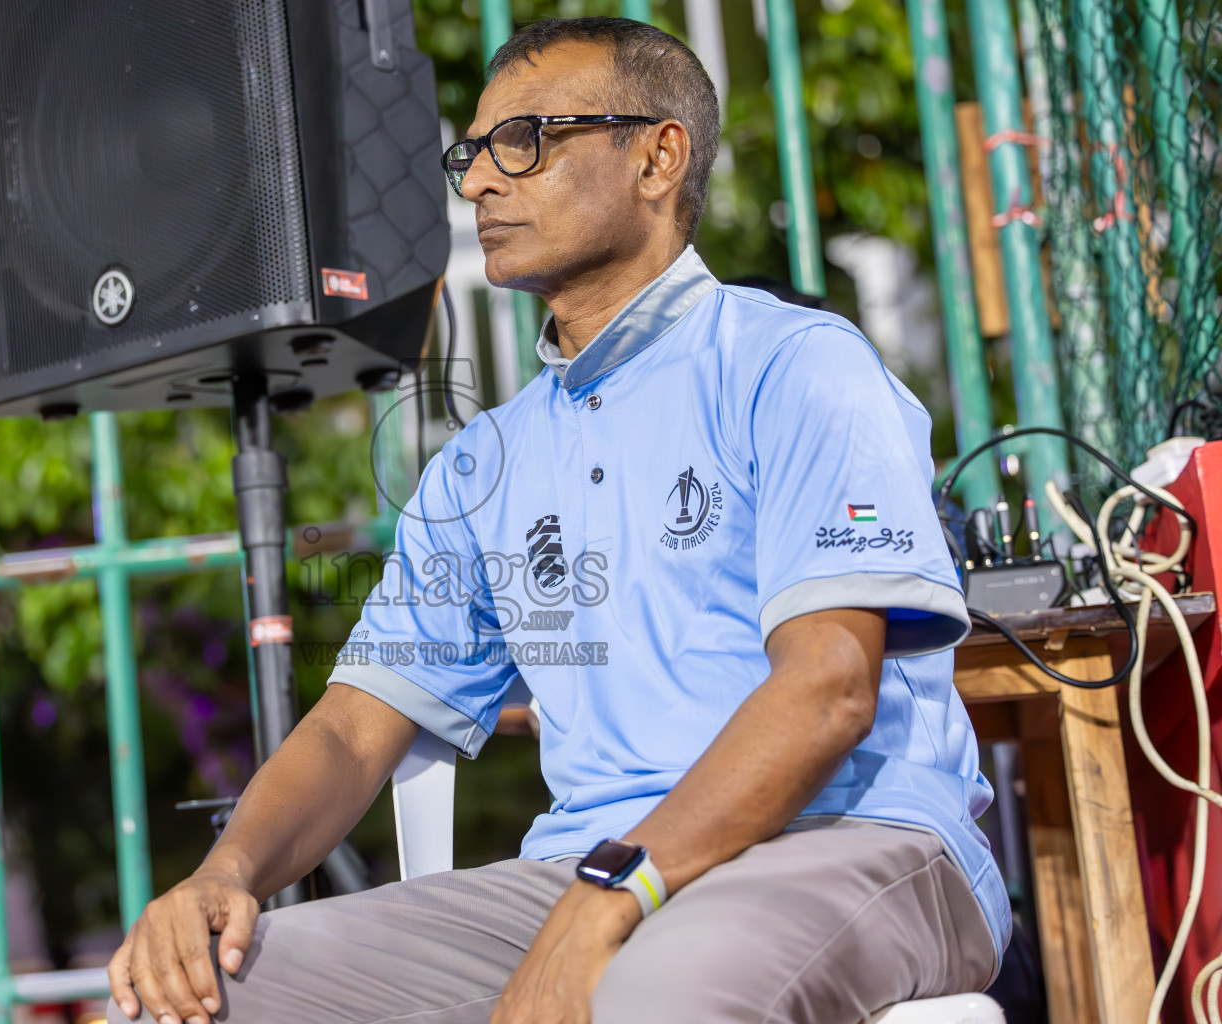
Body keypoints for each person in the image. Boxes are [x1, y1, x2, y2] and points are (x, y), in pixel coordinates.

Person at [106, 16, 1007, 1024]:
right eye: (473, 153)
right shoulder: (482, 466)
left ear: (658, 157)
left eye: (525, 141)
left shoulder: (795, 365)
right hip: (583, 873)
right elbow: (357, 725)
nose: (483, 181)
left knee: (650, 1000)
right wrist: (224, 872)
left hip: (849, 838)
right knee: (191, 1000)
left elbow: (830, 691)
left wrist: (613, 893)